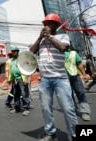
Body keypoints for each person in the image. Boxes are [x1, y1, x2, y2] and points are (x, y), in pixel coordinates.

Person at [30, 13, 78, 141]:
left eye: (49, 23)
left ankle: (74, 134)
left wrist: (50, 36)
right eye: (45, 24)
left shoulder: (63, 36)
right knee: (46, 108)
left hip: (60, 78)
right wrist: (40, 37)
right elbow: (31, 52)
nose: (46, 26)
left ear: (56, 25)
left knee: (68, 109)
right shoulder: (42, 40)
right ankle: (50, 132)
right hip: (44, 79)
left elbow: (62, 47)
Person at [65, 48, 91, 121]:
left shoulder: (73, 53)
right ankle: (73, 110)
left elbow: (79, 64)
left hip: (75, 76)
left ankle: (85, 112)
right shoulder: (57, 53)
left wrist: (84, 74)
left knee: (81, 93)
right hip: (64, 78)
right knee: (69, 95)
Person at [7, 46, 31, 116]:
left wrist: (26, 79)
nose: (13, 53)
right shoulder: (12, 61)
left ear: (17, 52)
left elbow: (26, 69)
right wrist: (10, 79)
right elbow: (11, 71)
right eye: (12, 52)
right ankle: (17, 107)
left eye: (14, 52)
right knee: (15, 94)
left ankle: (26, 108)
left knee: (24, 93)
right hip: (15, 80)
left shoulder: (22, 59)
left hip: (21, 79)